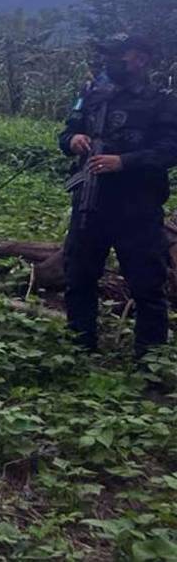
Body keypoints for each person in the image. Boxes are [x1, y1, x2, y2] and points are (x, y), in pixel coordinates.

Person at [59, 34, 177, 358]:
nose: (111, 62)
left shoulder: (162, 100)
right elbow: (66, 133)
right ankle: (80, 351)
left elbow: (170, 150)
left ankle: (149, 361)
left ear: (140, 60)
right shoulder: (91, 95)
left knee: (147, 285)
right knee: (78, 278)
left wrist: (123, 162)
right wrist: (74, 140)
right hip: (90, 204)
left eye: (120, 56)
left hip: (137, 208)